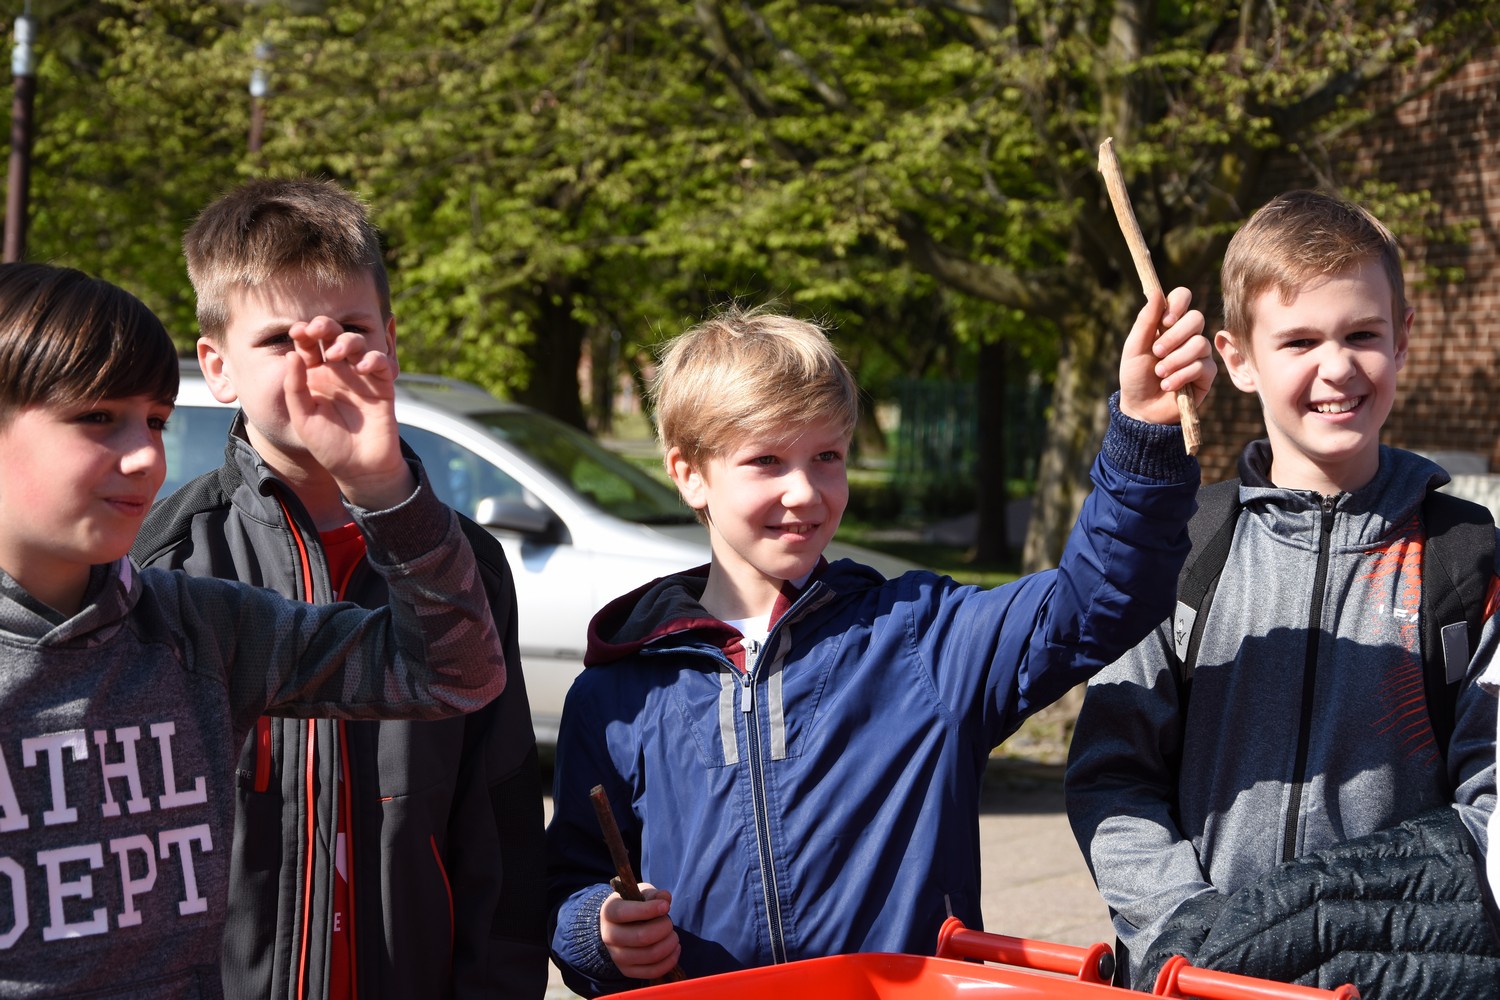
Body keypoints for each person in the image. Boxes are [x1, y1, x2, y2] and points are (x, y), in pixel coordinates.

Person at [544, 294, 1215, 992]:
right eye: (767, 460)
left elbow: (1097, 601)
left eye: (827, 456)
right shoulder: (616, 695)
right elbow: (571, 884)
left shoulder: (921, 638)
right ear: (689, 474)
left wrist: (1144, 433)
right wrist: (600, 931)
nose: (805, 491)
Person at [0, 261, 504, 997]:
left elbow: (457, 672)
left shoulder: (199, 627)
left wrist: (383, 485)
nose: (144, 457)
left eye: (157, 421)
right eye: (97, 418)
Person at [1065, 190, 1500, 997]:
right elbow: (1114, 775)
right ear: (1237, 358)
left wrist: (1374, 931)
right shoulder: (1180, 550)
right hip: (1198, 980)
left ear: (1403, 340)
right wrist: (1184, 930)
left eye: (1362, 334)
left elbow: (1493, 802)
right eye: (1299, 340)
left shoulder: (1468, 557)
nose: (1336, 367)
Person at [131, 178, 548, 1000]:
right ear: (217, 368)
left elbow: (498, 821)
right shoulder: (164, 561)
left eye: (349, 330)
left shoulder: (463, 563)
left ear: (390, 343)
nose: (318, 361)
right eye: (282, 338)